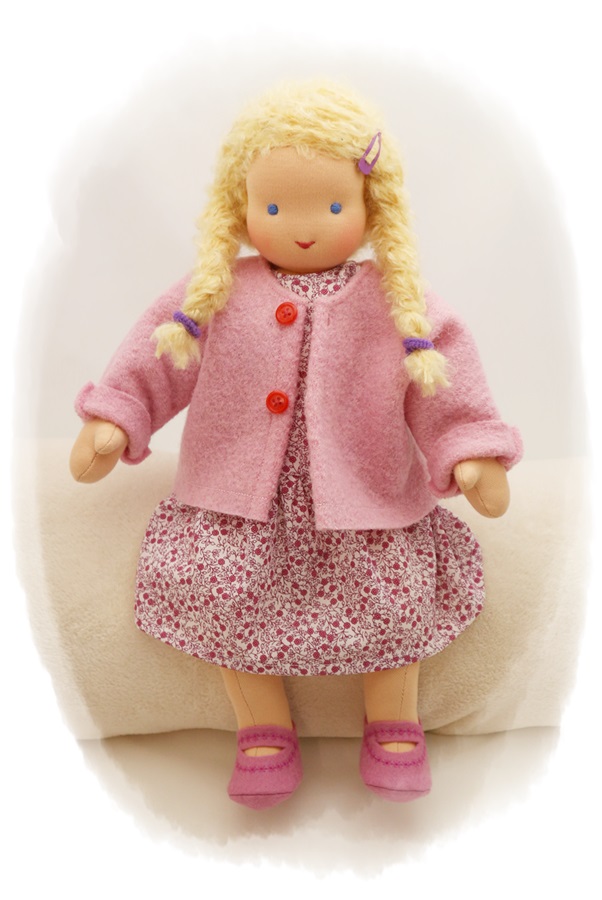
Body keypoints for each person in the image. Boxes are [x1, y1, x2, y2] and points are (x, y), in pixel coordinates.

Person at [70, 80, 522, 809]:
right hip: (238, 507)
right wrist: (118, 415)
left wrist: (469, 448)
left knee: (393, 598)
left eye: (333, 208)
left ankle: (395, 721)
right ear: (242, 205)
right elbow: (160, 356)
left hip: (366, 505)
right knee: (221, 592)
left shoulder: (397, 301)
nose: (302, 228)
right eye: (275, 209)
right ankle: (262, 730)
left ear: (371, 207)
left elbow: (441, 378)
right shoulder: (216, 291)